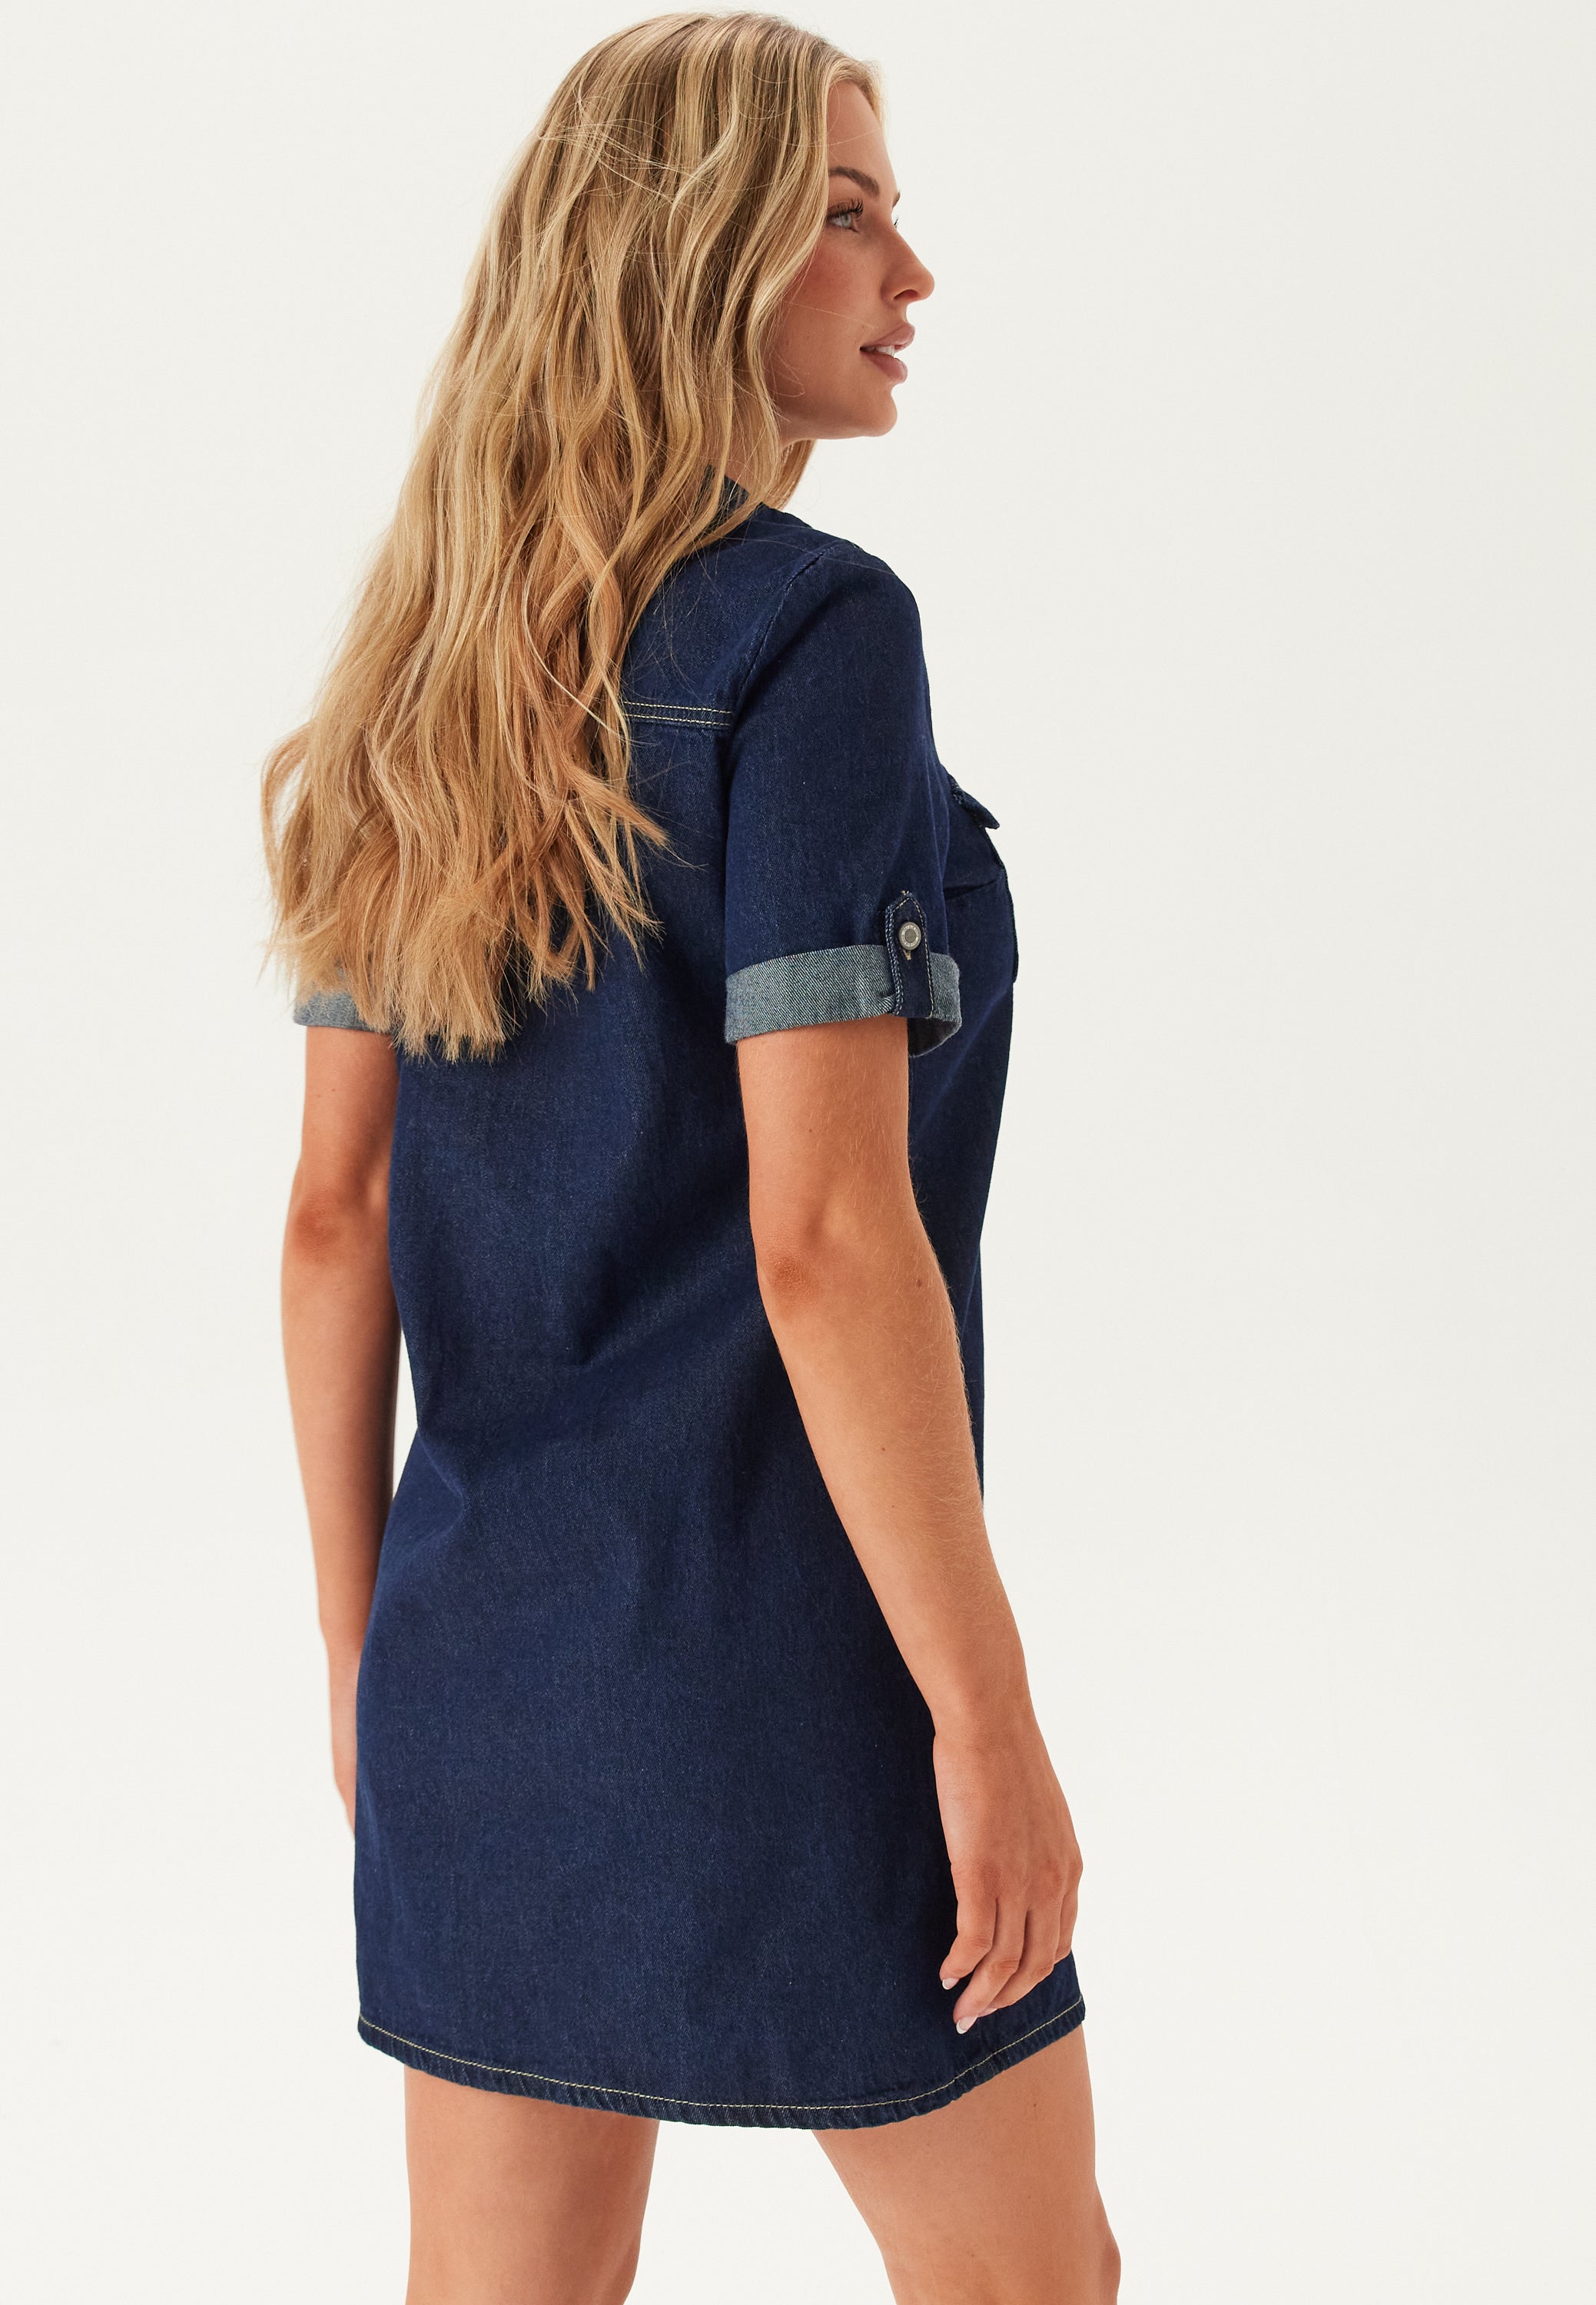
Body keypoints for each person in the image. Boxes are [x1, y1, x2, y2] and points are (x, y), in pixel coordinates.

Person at [265, 15, 1120, 2301]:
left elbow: (336, 1215)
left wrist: (365, 1661)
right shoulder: (815, 637)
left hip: (479, 1663)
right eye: (846, 213)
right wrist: (986, 1718)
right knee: (1035, 2286)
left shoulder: (420, 675)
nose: (909, 269)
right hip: (783, 1659)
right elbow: (827, 1235)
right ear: (691, 251)